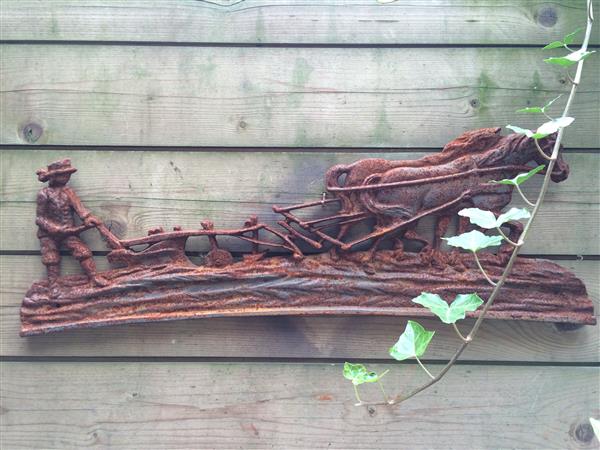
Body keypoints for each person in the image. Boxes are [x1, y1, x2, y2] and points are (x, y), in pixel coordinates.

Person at [35, 159, 108, 295]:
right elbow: (39, 218)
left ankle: (94, 277)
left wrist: (88, 218)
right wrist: (53, 228)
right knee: (51, 258)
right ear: (53, 176)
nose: (66, 178)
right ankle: (53, 286)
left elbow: (80, 209)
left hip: (69, 232)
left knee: (83, 252)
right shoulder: (44, 194)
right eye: (63, 175)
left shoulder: (69, 192)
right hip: (48, 234)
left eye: (68, 175)